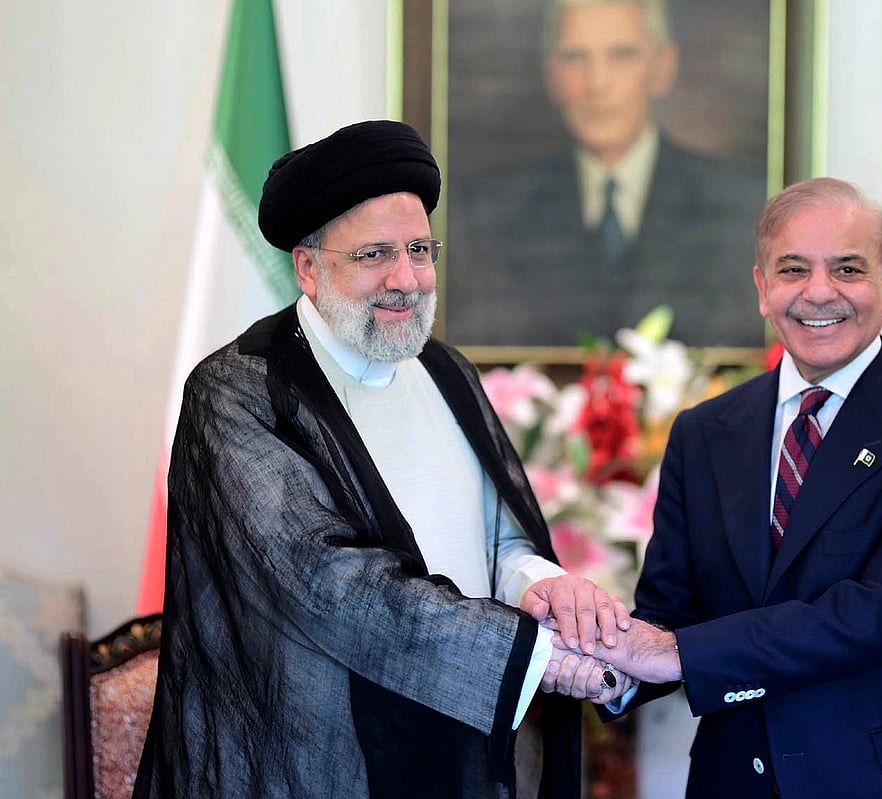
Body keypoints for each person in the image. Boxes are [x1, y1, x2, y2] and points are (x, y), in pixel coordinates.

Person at [133, 120, 633, 799]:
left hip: (457, 750)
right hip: (318, 764)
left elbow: (497, 534)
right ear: (309, 267)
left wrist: (537, 584)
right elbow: (329, 585)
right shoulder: (240, 391)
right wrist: (539, 656)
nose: (406, 279)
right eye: (374, 254)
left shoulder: (446, 369)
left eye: (420, 250)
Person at [577, 178, 882, 797]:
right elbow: (670, 613)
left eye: (848, 269)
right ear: (763, 288)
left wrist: (674, 655)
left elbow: (879, 613)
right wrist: (604, 668)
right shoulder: (704, 433)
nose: (819, 292)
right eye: (794, 269)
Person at [448, 0, 766, 347]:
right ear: (551, 74)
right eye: (574, 58)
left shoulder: (739, 206)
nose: (597, 83)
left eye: (622, 55)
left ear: (663, 67)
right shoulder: (490, 212)